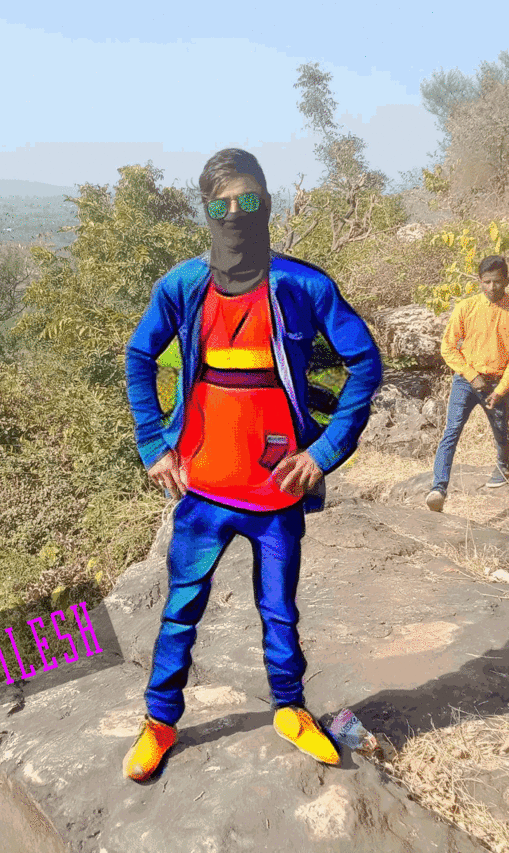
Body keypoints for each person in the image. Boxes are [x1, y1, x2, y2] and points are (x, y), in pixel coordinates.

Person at [123, 148, 382, 782]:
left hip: (276, 493)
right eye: (222, 206)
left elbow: (364, 363)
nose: (236, 214)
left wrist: (324, 451)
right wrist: (153, 444)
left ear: (267, 203)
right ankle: (159, 721)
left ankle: (289, 709)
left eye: (249, 201)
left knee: (280, 610)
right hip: (203, 490)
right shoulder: (184, 286)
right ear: (206, 212)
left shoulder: (302, 285)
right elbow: (138, 356)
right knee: (181, 608)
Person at [426, 255, 509, 513]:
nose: (492, 287)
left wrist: (500, 390)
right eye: (487, 282)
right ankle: (438, 489)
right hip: (466, 380)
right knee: (451, 431)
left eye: (497, 281)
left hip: (498, 383)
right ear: (479, 281)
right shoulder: (467, 307)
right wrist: (472, 375)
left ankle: (503, 468)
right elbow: (448, 348)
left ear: (506, 280)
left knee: (502, 433)